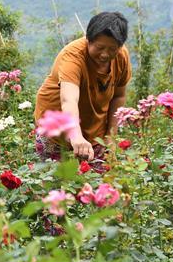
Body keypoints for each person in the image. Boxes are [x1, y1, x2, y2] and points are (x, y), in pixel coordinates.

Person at [33, 11, 132, 163]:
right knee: (56, 176)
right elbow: (69, 100)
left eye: (112, 49)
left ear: (120, 46)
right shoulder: (73, 57)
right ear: (88, 40)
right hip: (56, 131)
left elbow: (119, 96)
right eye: (100, 47)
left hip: (94, 131)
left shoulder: (121, 56)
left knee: (98, 176)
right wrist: (76, 136)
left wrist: (111, 136)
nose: (105, 54)